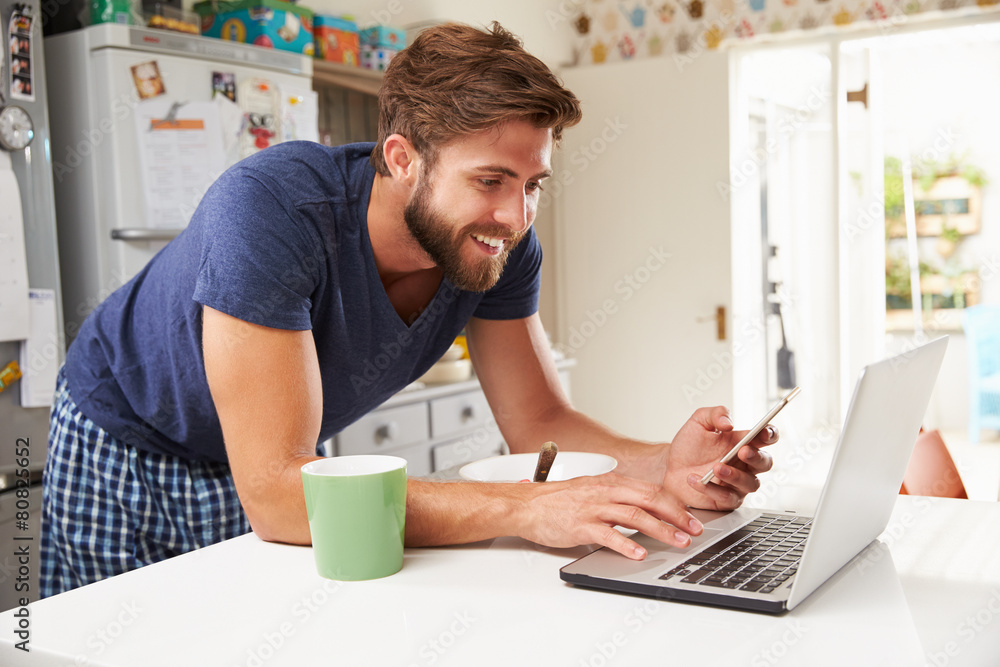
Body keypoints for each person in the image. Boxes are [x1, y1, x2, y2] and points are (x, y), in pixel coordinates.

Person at [41, 21, 776, 598]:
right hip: (126, 438)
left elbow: (540, 424)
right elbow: (275, 492)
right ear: (401, 158)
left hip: (281, 467)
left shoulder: (500, 247)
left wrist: (664, 463)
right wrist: (525, 508)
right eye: (490, 179)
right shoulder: (272, 209)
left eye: (533, 183)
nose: (515, 215)